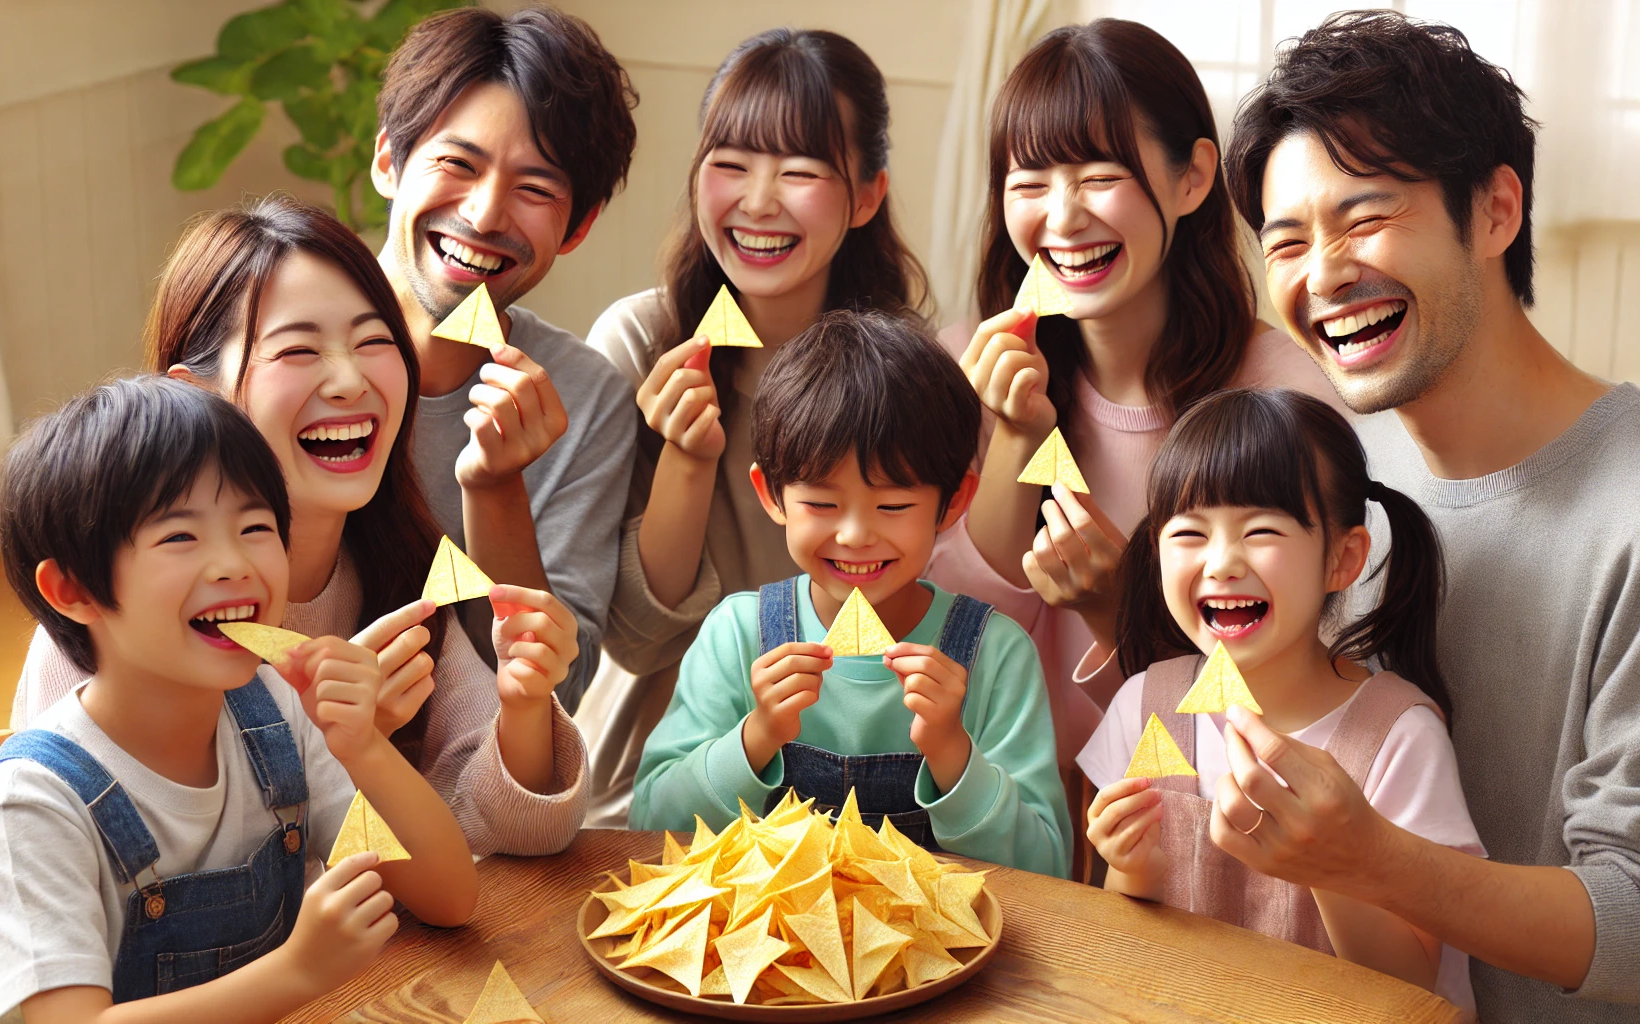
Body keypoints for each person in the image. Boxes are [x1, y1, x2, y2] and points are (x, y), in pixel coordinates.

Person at [1220, 12, 1640, 1021]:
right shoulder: (1341, 473)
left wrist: (1374, 859)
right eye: (1287, 241)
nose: (1321, 275)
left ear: (1494, 209)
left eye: (1363, 217)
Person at [11, 196, 590, 857]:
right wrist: (330, 751)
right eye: (298, 350)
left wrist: (523, 705)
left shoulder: (401, 570)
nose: (349, 380)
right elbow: (111, 898)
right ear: (197, 395)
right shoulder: (114, 613)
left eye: (375, 341)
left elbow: (509, 833)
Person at [0, 376, 477, 1023]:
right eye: (180, 537)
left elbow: (448, 895)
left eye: (256, 526)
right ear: (73, 589)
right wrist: (297, 972)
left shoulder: (278, 717)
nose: (234, 564)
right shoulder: (32, 807)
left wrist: (365, 746)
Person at [925, 19, 1344, 770]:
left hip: (1192, 836)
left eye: (1098, 177)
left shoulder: (1280, 398)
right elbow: (953, 639)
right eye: (1029, 183)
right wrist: (1017, 437)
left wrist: (1119, 611)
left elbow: (1299, 697)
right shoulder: (965, 365)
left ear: (1192, 177)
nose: (1061, 216)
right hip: (988, 812)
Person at [574, 28, 928, 826]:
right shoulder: (640, 341)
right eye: (731, 163)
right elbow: (635, 640)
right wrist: (687, 462)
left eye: (800, 171)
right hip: (648, 784)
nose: (759, 200)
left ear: (867, 196)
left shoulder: (899, 370)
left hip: (847, 787)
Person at [1078, 388, 1482, 1012]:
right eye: (1189, 533)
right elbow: (1128, 941)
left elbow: (1410, 985)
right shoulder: (1144, 706)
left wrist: (1328, 861)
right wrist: (1130, 864)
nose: (1221, 563)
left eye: (1261, 530)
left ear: (1342, 560)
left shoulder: (1396, 736)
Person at [630, 310, 1070, 878]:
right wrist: (755, 736)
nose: (856, 535)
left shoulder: (995, 654)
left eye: (893, 506)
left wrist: (952, 753)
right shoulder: (738, 635)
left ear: (954, 501)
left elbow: (1050, 868)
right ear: (772, 496)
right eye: (821, 504)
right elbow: (648, 823)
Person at [369, 5, 639, 710]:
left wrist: (495, 489)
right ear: (388, 162)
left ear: (577, 227)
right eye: (458, 163)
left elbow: (554, 691)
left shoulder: (585, 396)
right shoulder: (276, 332)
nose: (486, 215)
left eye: (535, 188)